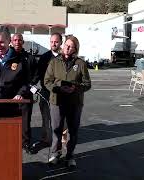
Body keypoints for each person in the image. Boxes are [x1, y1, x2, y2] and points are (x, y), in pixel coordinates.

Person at [44, 35, 91, 168]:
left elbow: (87, 84)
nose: (67, 47)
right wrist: (57, 88)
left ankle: (70, 156)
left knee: (73, 130)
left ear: (75, 49)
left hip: (74, 102)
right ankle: (55, 153)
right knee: (56, 129)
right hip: (57, 101)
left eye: (71, 46)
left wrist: (75, 88)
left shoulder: (80, 63)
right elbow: (47, 81)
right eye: (66, 45)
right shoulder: (54, 62)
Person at [34, 33, 63, 148]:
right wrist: (32, 84)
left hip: (60, 93)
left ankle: (59, 141)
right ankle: (46, 139)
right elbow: (38, 74)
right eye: (51, 42)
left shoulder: (64, 57)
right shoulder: (44, 57)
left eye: (56, 42)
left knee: (60, 118)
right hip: (46, 92)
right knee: (46, 117)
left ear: (61, 42)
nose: (53, 44)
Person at [11, 33, 38, 154]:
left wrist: (28, 87)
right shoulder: (7, 57)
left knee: (25, 121)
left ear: (23, 42)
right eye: (15, 40)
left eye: (19, 40)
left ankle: (25, 143)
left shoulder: (29, 58)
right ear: (11, 42)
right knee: (11, 120)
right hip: (10, 95)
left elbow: (36, 75)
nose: (17, 42)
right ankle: (12, 141)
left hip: (26, 95)